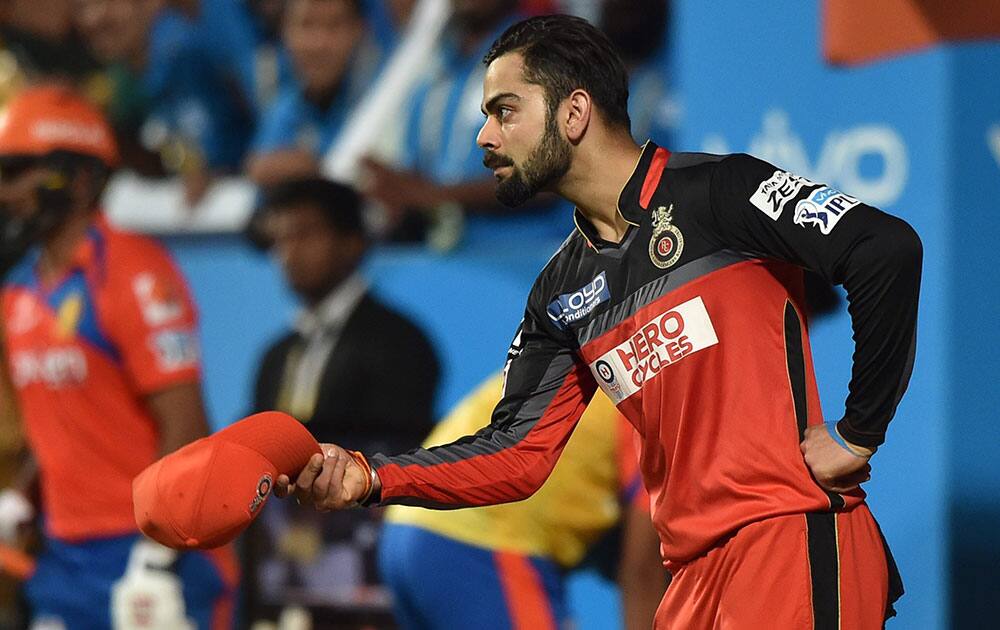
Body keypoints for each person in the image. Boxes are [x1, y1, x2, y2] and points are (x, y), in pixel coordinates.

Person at [278, 14, 921, 629]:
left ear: (574, 112)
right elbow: (516, 453)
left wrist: (860, 432)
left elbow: (885, 250)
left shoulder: (719, 194)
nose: (485, 137)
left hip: (787, 541)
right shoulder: (560, 291)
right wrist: (372, 476)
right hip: (691, 577)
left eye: (505, 111)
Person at [0, 84, 237, 629]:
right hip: (63, 560)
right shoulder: (18, 291)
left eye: (18, 172)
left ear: (80, 180)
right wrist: (22, 492)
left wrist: (158, 551)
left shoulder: (133, 274)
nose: (5, 191)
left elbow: (187, 427)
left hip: (147, 552)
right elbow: (65, 419)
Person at [243, 176, 440, 627]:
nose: (288, 253)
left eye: (306, 234)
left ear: (353, 242)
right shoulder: (276, 354)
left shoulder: (400, 342)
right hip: (281, 574)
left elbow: (396, 454)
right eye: (282, 238)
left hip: (365, 583)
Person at [379, 371, 666, 630]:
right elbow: (642, 569)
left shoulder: (612, 362)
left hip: (406, 530)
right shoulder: (662, 400)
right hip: (480, 544)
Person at [361, 0, 573, 246]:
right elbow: (417, 175)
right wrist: (392, 191)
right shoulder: (435, 69)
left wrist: (435, 196)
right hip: (444, 261)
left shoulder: (543, 51)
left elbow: (548, 175)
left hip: (531, 259)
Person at [246, 0, 390, 187]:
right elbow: (260, 167)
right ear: (285, 32)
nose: (319, 43)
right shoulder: (284, 105)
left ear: (359, 30)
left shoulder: (380, 99)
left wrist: (312, 167)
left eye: (334, 26)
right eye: (307, 25)